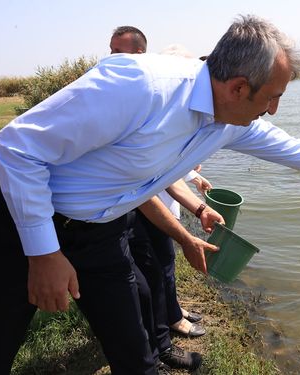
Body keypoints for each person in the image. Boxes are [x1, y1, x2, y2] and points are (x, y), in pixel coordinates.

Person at [0, 14, 300, 375]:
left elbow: (295, 150)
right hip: (11, 217)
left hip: (98, 231)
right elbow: (16, 149)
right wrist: (43, 253)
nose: (274, 110)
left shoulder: (229, 122)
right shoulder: (140, 87)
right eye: (272, 97)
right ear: (238, 88)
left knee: (135, 353)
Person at [109, 27, 209, 371]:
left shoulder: (164, 111)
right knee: (142, 284)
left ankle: (161, 339)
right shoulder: (128, 109)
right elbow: (151, 182)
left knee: (152, 276)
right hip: (113, 220)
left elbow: (165, 175)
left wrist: (198, 203)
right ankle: (157, 345)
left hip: (137, 211)